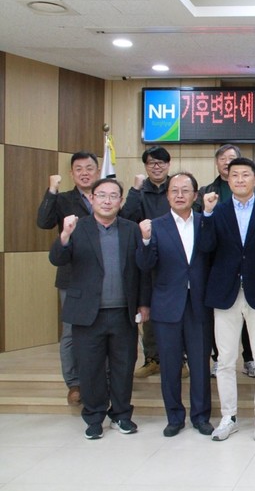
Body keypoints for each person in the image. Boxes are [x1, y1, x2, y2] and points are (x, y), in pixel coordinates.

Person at [49, 178, 151, 439]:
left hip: (123, 312)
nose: (107, 201)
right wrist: (64, 235)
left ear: (120, 201)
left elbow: (141, 270)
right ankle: (94, 417)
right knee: (90, 368)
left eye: (113, 196)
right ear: (92, 199)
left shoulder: (131, 229)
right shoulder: (77, 227)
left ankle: (121, 415)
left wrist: (143, 303)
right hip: (87, 313)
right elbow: (57, 259)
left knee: (123, 366)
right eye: (102, 195)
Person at [199, 158, 255, 442]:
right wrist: (206, 214)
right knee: (225, 360)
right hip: (225, 294)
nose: (239, 180)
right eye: (234, 175)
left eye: (245, 175)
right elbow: (206, 248)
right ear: (228, 179)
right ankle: (229, 417)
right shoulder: (217, 211)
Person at [136, 172, 213, 437]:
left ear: (195, 195)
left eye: (185, 190)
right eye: (174, 190)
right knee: (169, 365)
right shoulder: (155, 226)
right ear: (167, 195)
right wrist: (145, 240)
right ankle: (174, 417)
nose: (180, 195)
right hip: (167, 305)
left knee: (200, 364)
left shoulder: (205, 222)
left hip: (199, 304)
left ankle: (201, 416)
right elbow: (145, 265)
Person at [36, 151, 100, 405]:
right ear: (72, 174)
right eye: (79, 169)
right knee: (72, 332)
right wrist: (52, 190)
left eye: (89, 168)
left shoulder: (106, 196)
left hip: (103, 276)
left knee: (103, 329)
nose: (85, 173)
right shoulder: (63, 199)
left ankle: (102, 379)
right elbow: (43, 222)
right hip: (72, 276)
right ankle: (74, 384)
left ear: (98, 171)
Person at [194, 144, 255, 379]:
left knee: (249, 318)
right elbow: (202, 226)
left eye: (231, 158)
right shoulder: (206, 191)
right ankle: (218, 359)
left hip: (247, 266)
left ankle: (249, 359)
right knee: (220, 320)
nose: (226, 161)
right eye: (222, 158)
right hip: (219, 264)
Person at [120, 146, 173, 379]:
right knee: (148, 310)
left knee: (176, 311)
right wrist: (134, 189)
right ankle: (152, 358)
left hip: (174, 258)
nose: (157, 167)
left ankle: (178, 359)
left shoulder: (176, 187)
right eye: (152, 163)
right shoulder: (139, 191)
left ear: (168, 165)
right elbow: (125, 218)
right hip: (146, 258)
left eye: (161, 162)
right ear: (145, 166)